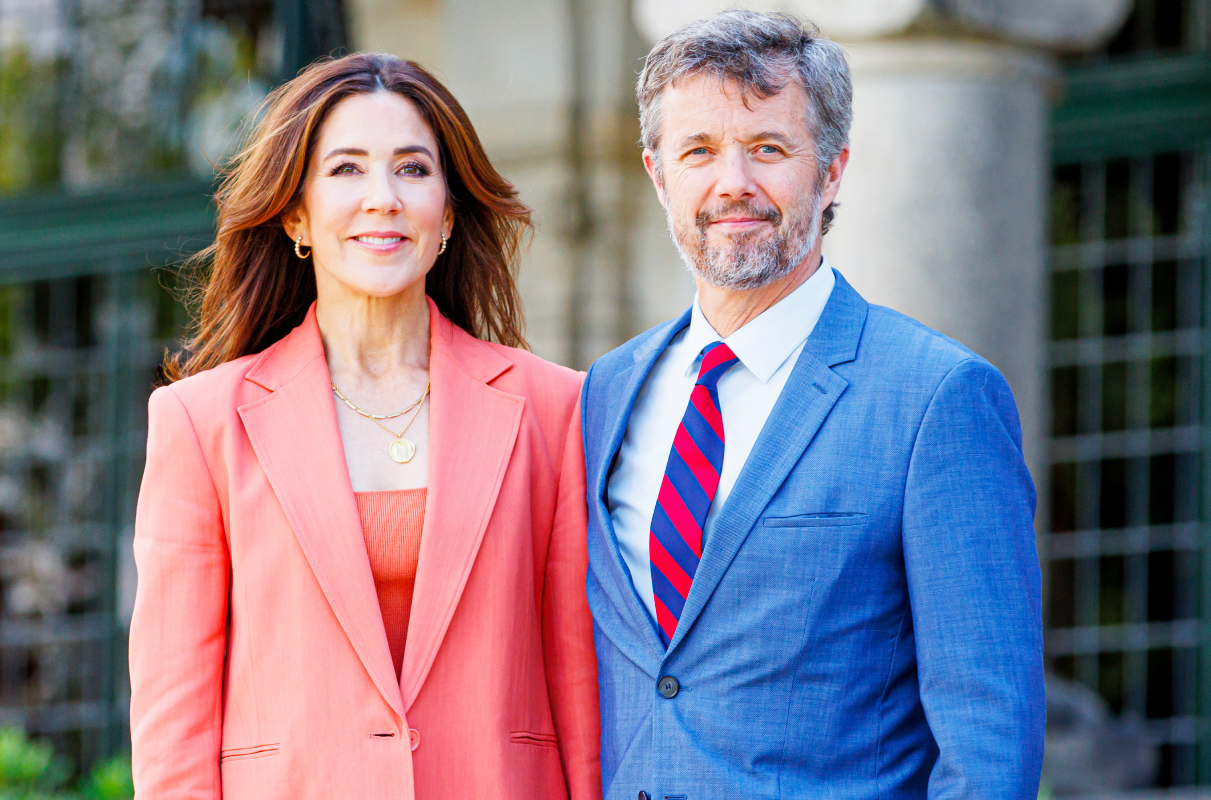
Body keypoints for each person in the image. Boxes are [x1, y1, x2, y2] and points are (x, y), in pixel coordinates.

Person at [581, 10, 1044, 799]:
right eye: (699, 151)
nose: (732, 182)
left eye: (768, 148)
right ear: (659, 174)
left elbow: (989, 741)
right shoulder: (604, 393)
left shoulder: (937, 399)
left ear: (831, 170)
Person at [129, 53, 600, 799]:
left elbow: (581, 685)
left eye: (412, 170)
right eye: (346, 170)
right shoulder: (200, 423)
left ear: (446, 213)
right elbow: (173, 723)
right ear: (296, 215)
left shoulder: (554, 408)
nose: (382, 198)